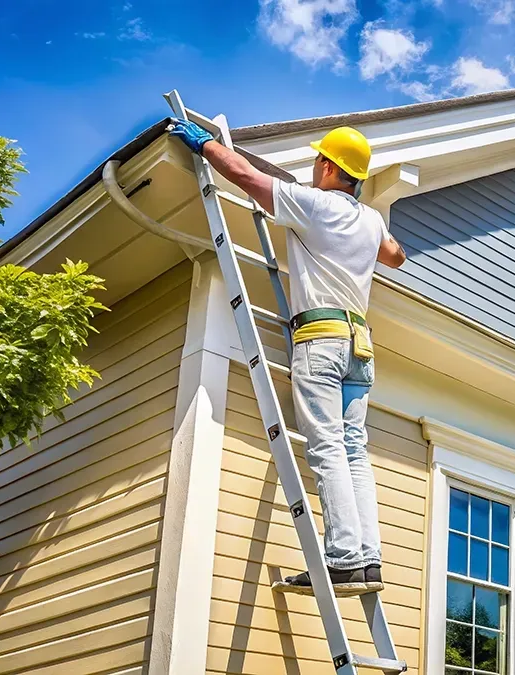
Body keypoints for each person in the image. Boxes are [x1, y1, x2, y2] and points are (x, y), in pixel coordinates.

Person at [170, 118, 407, 596]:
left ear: (327, 165)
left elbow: (246, 177)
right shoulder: (370, 219)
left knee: (326, 448)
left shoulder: (315, 205)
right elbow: (395, 255)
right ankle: (367, 560)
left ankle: (343, 558)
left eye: (319, 159)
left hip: (321, 339)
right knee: (354, 451)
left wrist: (205, 145)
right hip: (360, 344)